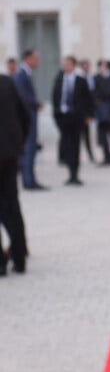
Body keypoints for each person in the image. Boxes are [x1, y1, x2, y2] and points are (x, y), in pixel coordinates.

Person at [0, 74, 30, 274]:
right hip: (8, 154)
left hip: (8, 153)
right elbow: (25, 116)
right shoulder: (6, 82)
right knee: (12, 205)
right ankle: (19, 257)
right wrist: (17, 142)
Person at [52, 55, 93, 185]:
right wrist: (57, 114)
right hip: (63, 117)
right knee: (67, 146)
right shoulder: (59, 80)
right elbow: (55, 97)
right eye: (64, 64)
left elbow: (88, 99)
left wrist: (88, 115)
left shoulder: (80, 81)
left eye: (68, 64)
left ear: (74, 65)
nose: (65, 66)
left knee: (75, 146)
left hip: (77, 118)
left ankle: (75, 174)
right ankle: (70, 173)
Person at [13, 49, 48, 190]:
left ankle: (30, 179)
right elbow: (23, 97)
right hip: (27, 118)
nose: (38, 62)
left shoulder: (25, 74)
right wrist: (36, 103)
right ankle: (28, 180)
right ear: (28, 58)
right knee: (28, 149)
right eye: (36, 58)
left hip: (28, 117)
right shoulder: (21, 75)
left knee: (30, 149)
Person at [93, 60, 110, 164]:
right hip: (101, 112)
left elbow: (109, 93)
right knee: (103, 136)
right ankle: (107, 156)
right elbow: (94, 93)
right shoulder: (97, 78)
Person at [78, 58, 96, 162]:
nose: (86, 67)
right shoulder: (79, 79)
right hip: (79, 112)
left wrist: (89, 114)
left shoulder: (92, 78)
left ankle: (90, 154)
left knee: (87, 135)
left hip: (87, 111)